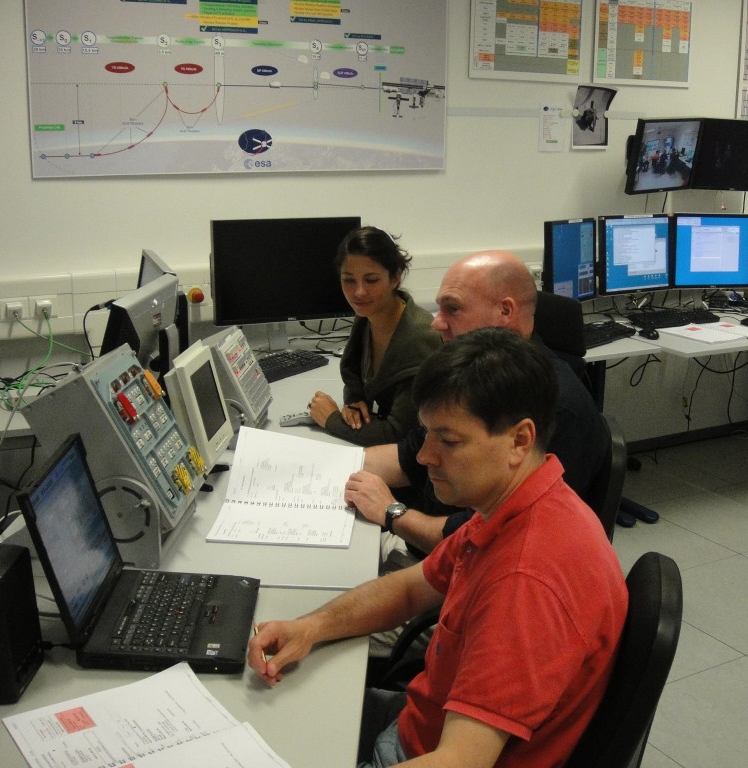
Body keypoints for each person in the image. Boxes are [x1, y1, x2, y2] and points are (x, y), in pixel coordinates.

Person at [248, 328, 628, 767]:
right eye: (426, 434)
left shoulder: (525, 581)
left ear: (520, 441)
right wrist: (311, 627)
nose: (425, 456)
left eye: (448, 441)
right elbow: (410, 589)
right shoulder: (521, 504)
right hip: (423, 721)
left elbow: (461, 761)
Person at [345, 249, 609, 559]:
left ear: (505, 313)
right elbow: (408, 456)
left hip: (466, 564)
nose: (436, 324)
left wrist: (390, 512)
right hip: (437, 548)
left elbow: (480, 544)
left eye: (452, 309)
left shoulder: (554, 411)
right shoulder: (475, 379)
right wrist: (327, 469)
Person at [307, 226, 441, 446]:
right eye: (349, 280)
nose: (358, 292)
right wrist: (354, 401)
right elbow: (355, 374)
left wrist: (330, 420)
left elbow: (398, 434)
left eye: (371, 280)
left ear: (396, 277)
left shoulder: (419, 338)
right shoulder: (368, 317)